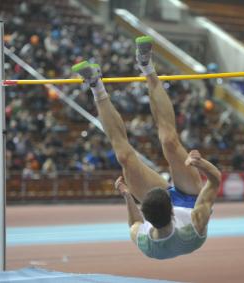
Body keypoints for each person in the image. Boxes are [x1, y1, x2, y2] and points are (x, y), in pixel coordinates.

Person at [72, 36, 221, 259]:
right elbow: (215, 179)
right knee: (170, 141)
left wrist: (127, 197)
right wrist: (200, 164)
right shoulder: (195, 224)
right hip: (191, 199)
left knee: (124, 157)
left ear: (147, 217)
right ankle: (147, 66)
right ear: (170, 211)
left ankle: (95, 85)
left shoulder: (145, 241)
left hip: (159, 209)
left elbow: (134, 222)